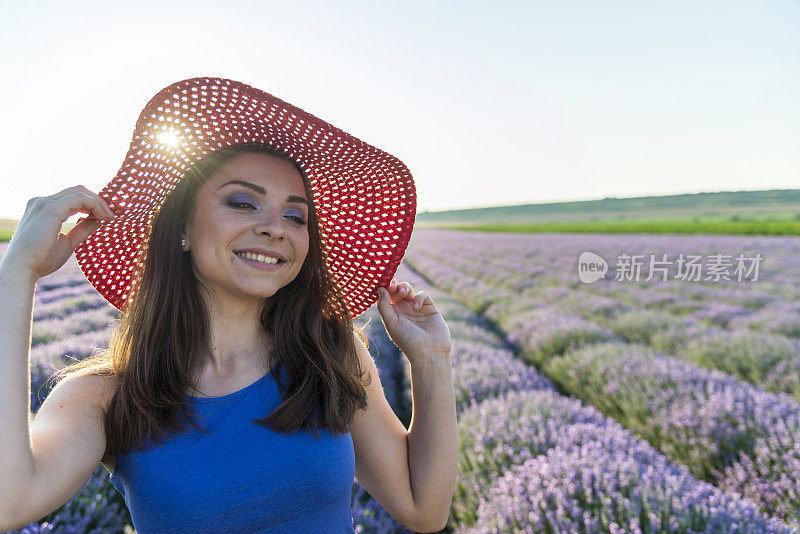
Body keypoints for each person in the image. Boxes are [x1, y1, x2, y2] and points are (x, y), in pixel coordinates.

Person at [0, 77, 457, 533]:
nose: (276, 228)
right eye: (243, 203)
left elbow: (424, 509)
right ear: (181, 228)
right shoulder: (107, 396)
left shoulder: (328, 354)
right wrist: (17, 272)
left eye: (296, 215)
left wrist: (431, 360)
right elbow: (9, 502)